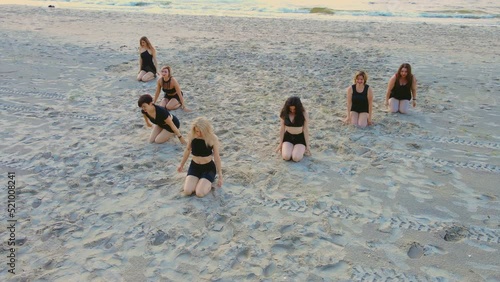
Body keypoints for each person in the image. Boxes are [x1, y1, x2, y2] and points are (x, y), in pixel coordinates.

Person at [177, 117, 223, 197]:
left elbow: (216, 157)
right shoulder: (192, 136)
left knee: (199, 193)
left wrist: (220, 175)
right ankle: (200, 181)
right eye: (197, 131)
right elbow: (187, 150)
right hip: (195, 167)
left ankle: (207, 182)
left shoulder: (212, 138)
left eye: (201, 131)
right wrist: (181, 165)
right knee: (187, 191)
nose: (199, 133)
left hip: (208, 168)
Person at [276, 96, 311, 162]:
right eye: (290, 109)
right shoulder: (284, 113)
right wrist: (280, 144)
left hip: (300, 138)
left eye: (294, 109)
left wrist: (307, 146)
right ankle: (289, 148)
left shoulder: (304, 114)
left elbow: (305, 130)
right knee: (286, 157)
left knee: (295, 158)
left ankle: (299, 150)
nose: (292, 111)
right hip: (288, 137)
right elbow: (282, 129)